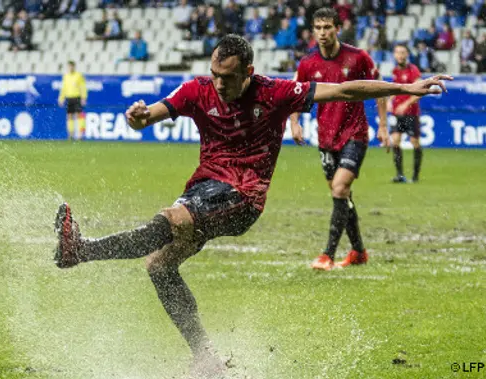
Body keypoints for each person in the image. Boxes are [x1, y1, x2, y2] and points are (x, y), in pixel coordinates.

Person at [53, 34, 450, 377]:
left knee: (172, 220)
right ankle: (206, 359)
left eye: (227, 77)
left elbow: (345, 90)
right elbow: (149, 117)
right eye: (214, 74)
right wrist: (137, 117)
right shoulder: (197, 90)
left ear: (248, 71)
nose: (219, 83)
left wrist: (406, 89)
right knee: (159, 265)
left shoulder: (275, 92)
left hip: (244, 198)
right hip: (204, 190)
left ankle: (81, 250)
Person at [290, 7, 389, 271]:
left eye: (327, 28)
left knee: (339, 189)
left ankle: (327, 255)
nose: (322, 33)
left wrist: (383, 126)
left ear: (338, 28)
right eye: (318, 28)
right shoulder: (308, 63)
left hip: (355, 133)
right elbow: (294, 94)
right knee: (341, 195)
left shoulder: (358, 58)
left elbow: (380, 88)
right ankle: (358, 251)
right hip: (326, 137)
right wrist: (295, 122)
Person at [389, 44, 423, 183]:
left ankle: (415, 176)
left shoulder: (413, 70)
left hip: (411, 113)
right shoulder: (395, 70)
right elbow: (396, 90)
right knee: (395, 141)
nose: (400, 55)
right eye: (397, 52)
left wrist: (405, 104)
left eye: (403, 52)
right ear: (394, 55)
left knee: (414, 142)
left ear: (407, 54)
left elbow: (420, 91)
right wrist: (390, 101)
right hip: (398, 114)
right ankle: (400, 175)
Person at [57, 60, 87, 140]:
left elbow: (82, 87)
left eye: (71, 66)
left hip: (77, 97)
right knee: (69, 116)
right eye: (69, 66)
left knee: (79, 115)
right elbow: (64, 88)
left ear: (74, 66)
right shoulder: (66, 76)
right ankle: (70, 135)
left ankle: (81, 134)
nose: (70, 68)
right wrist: (61, 98)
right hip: (69, 98)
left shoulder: (79, 75)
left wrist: (83, 97)